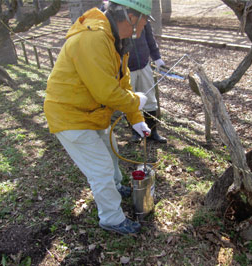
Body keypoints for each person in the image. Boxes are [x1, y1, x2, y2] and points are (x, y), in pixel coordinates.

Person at [43, 0, 153, 235]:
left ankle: (115, 187)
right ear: (131, 16)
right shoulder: (93, 38)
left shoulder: (114, 37)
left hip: (89, 113)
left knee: (111, 148)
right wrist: (136, 101)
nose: (145, 25)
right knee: (100, 168)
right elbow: (105, 92)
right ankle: (112, 219)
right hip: (70, 115)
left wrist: (136, 118)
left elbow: (122, 81)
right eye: (144, 19)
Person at [128, 22, 167, 143]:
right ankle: (136, 132)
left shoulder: (142, 17)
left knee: (150, 99)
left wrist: (157, 58)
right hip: (126, 68)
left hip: (144, 65)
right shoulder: (118, 17)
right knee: (130, 100)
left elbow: (150, 39)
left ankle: (152, 132)